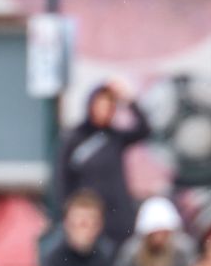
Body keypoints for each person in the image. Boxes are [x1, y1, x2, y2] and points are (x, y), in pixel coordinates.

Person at [55, 81, 151, 247]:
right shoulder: (74, 138)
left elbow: (144, 130)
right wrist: (65, 214)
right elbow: (62, 179)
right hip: (89, 218)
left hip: (118, 217)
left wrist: (129, 100)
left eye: (110, 106)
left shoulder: (115, 137)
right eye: (101, 105)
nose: (105, 111)